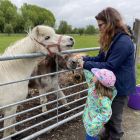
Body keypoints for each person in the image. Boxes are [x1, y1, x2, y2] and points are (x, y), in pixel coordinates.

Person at [79, 7, 136, 140]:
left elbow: (110, 66)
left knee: (114, 120)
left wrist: (86, 65)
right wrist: (84, 58)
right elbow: (100, 59)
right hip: (110, 85)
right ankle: (106, 136)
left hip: (120, 87)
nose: (99, 28)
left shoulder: (123, 42)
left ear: (110, 22)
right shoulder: (110, 39)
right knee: (107, 117)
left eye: (100, 25)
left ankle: (114, 137)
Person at [83, 68, 117, 140]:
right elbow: (89, 77)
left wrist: (93, 124)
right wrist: (84, 65)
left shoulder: (104, 99)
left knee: (90, 137)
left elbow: (106, 113)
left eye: (95, 75)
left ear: (99, 81)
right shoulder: (93, 86)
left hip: (93, 125)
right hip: (89, 119)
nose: (94, 75)